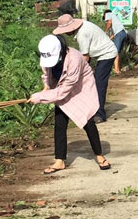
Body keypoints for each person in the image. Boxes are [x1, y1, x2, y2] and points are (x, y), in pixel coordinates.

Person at [28, 35, 111, 174]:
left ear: (60, 51)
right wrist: (46, 87)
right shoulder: (47, 53)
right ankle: (59, 160)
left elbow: (65, 90)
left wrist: (40, 97)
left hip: (79, 89)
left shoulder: (74, 58)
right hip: (59, 88)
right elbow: (46, 74)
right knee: (60, 123)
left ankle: (99, 155)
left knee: (87, 120)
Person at [53, 14, 117, 123]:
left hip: (107, 53)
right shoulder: (83, 27)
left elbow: (85, 58)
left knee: (98, 83)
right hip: (97, 52)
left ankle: (99, 114)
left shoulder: (82, 34)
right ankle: (89, 108)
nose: (65, 33)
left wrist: (73, 73)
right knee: (89, 82)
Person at [104, 9, 127, 74]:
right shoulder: (116, 17)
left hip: (119, 34)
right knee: (117, 52)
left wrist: (105, 32)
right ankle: (118, 69)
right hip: (123, 34)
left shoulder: (108, 14)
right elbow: (115, 34)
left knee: (115, 51)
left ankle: (117, 70)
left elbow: (109, 23)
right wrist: (108, 39)